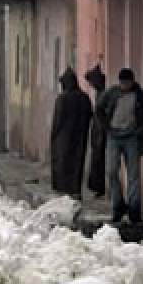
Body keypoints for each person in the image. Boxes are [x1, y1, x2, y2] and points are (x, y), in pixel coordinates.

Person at [96, 68, 143, 223]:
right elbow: (99, 109)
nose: (124, 85)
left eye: (127, 83)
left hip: (132, 138)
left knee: (133, 175)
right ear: (119, 82)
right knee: (111, 171)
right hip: (114, 137)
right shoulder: (111, 93)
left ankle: (134, 210)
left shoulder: (140, 96)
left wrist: (141, 131)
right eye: (122, 83)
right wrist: (106, 127)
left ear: (132, 82)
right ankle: (118, 206)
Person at [51, 67, 92, 199]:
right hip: (80, 137)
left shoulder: (62, 99)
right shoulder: (85, 98)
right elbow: (89, 116)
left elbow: (57, 120)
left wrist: (53, 136)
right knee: (77, 162)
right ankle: (75, 190)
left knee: (62, 162)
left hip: (63, 137)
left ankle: (64, 190)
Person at [85, 64, 107, 197]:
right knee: (97, 160)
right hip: (97, 131)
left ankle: (101, 187)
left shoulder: (104, 93)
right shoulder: (99, 93)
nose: (92, 85)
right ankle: (97, 187)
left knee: (100, 160)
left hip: (102, 132)